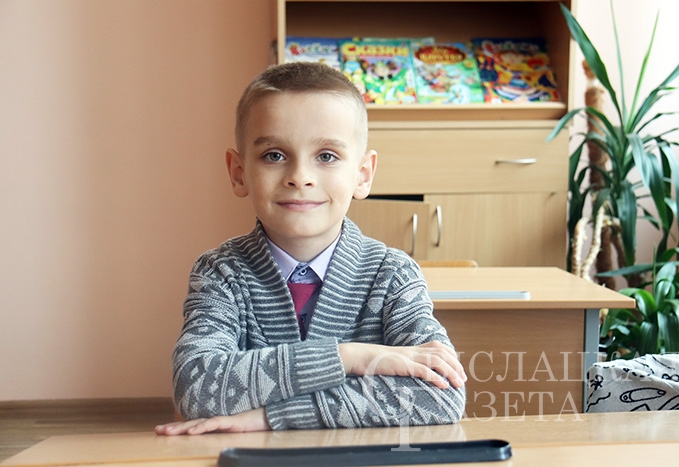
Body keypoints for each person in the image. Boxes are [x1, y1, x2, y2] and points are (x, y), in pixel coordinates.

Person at [155, 62, 467, 436]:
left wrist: (269, 417)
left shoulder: (393, 274)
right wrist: (349, 356)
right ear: (239, 172)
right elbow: (196, 389)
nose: (300, 177)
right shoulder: (220, 272)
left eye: (326, 156)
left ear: (363, 175)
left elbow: (441, 394)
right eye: (274, 155)